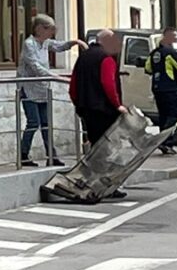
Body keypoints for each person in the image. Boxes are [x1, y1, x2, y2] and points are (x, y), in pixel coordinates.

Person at [17, 14, 87, 167]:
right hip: (28, 88)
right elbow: (35, 67)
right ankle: (23, 154)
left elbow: (59, 46)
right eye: (48, 29)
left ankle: (52, 155)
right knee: (33, 122)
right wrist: (56, 77)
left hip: (43, 89)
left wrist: (75, 42)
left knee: (46, 123)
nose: (51, 33)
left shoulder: (45, 43)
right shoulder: (29, 44)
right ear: (39, 29)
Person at [69, 29, 128, 199]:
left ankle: (92, 183)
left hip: (86, 109)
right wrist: (118, 105)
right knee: (107, 150)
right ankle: (106, 187)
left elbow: (73, 85)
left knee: (95, 148)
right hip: (104, 110)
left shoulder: (83, 57)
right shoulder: (106, 58)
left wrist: (78, 103)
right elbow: (108, 83)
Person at [145, 27, 177, 155]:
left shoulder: (154, 53)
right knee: (175, 114)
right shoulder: (170, 52)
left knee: (163, 116)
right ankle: (166, 141)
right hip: (169, 88)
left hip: (157, 88)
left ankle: (163, 142)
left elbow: (148, 69)